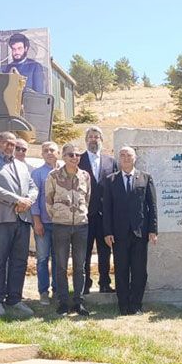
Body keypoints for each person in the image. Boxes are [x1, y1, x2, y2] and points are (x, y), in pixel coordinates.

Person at [0, 131, 35, 317]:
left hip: (22, 218)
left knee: (20, 261)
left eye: (14, 145)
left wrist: (28, 201)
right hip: (1, 219)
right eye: (7, 143)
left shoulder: (21, 165)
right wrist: (16, 200)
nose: (10, 147)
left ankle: (15, 299)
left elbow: (33, 187)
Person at [102, 146, 158, 315]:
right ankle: (123, 305)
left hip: (140, 232)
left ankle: (136, 304)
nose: (126, 158)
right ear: (119, 158)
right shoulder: (111, 180)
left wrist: (153, 230)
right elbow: (107, 209)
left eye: (129, 155)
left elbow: (152, 206)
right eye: (123, 155)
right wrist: (107, 232)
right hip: (118, 234)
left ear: (135, 158)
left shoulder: (145, 178)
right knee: (121, 270)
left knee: (139, 271)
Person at [46, 143, 91, 316]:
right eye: (71, 154)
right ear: (63, 156)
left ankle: (78, 302)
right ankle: (63, 301)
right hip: (61, 226)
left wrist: (80, 215)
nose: (75, 157)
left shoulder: (85, 176)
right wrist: (59, 216)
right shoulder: (54, 176)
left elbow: (87, 199)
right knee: (61, 265)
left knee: (80, 266)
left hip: (80, 226)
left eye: (77, 155)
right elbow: (48, 200)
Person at [78, 126, 116, 294]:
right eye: (90, 137)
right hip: (85, 214)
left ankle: (105, 283)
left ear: (101, 140)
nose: (93, 139)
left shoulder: (110, 161)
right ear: (86, 140)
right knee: (84, 251)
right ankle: (85, 285)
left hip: (105, 215)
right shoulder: (79, 159)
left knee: (105, 251)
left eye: (96, 137)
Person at [31, 141, 60, 305]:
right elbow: (34, 200)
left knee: (59, 258)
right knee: (42, 258)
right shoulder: (37, 174)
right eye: (45, 150)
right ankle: (43, 292)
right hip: (43, 222)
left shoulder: (63, 172)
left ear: (58, 152)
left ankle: (57, 290)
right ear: (42, 154)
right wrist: (37, 221)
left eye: (52, 150)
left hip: (60, 224)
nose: (49, 153)